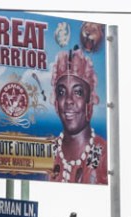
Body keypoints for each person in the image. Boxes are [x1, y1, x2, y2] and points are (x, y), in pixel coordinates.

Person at [49, 47, 108, 184]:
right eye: (62, 92)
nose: (69, 100)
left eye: (78, 92)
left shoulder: (100, 151)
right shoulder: (50, 151)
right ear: (56, 102)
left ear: (90, 100)